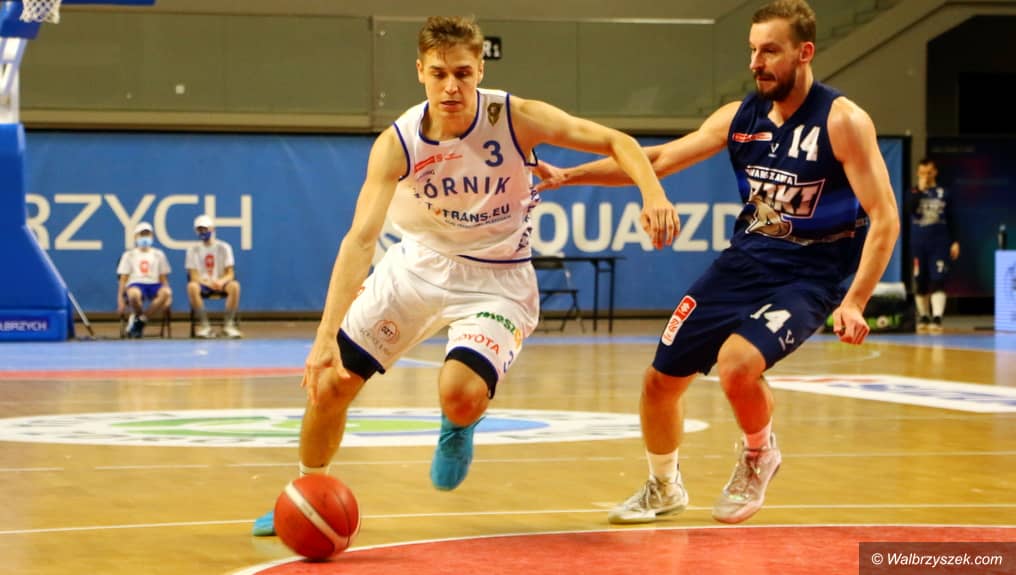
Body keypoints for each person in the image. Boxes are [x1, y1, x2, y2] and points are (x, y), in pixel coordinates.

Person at [252, 15, 680, 536]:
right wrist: (324, 337)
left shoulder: (516, 118)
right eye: (438, 74)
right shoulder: (398, 142)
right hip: (416, 267)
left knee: (459, 392)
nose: (451, 86)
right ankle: (303, 496)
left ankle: (458, 424)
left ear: (480, 70)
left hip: (497, 280)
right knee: (328, 384)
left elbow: (618, 142)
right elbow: (361, 240)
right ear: (420, 72)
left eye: (462, 73)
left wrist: (652, 194)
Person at [533, 0, 899, 525]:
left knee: (737, 365)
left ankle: (758, 453)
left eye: (770, 51)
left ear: (804, 52)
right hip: (744, 263)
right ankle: (664, 487)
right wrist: (570, 175)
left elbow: (884, 217)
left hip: (810, 275)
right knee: (659, 382)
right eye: (752, 50)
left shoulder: (842, 121)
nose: (756, 62)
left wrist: (856, 300)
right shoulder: (738, 117)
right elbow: (658, 159)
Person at [909, 157, 958, 334]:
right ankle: (924, 316)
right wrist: (920, 191)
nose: (926, 176)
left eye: (929, 172)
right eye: (922, 173)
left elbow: (952, 218)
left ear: (935, 172)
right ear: (917, 173)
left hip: (940, 243)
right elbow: (909, 210)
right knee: (920, 280)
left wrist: (954, 241)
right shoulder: (913, 192)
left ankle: (937, 317)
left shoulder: (944, 193)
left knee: (938, 279)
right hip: (919, 243)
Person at [185, 214, 243, 338]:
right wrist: (208, 283)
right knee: (191, 287)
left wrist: (221, 282)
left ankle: (228, 325)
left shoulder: (224, 247)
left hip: (221, 282)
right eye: (200, 229)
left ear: (212, 229)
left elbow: (230, 273)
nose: (203, 232)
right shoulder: (192, 250)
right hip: (203, 283)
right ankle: (205, 326)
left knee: (235, 286)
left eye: (205, 229)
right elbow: (193, 276)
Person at [116, 222, 173, 338]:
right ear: (136, 237)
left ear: (152, 236)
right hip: (136, 284)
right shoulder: (129, 255)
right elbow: (123, 279)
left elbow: (163, 278)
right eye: (142, 234)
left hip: (154, 285)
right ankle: (140, 319)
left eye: (147, 234)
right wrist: (120, 299)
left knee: (166, 292)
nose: (145, 237)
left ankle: (140, 321)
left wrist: (169, 298)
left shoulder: (159, 254)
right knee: (134, 295)